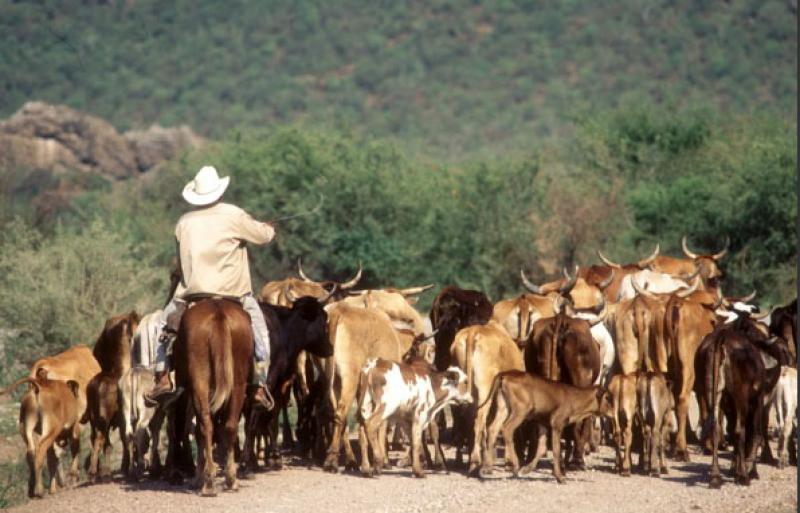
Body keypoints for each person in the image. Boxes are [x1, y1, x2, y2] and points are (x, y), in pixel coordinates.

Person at [145, 165, 275, 409]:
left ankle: (162, 377)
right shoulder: (233, 214)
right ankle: (259, 385)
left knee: (161, 329)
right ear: (219, 191)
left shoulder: (183, 222)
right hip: (234, 294)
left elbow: (180, 265)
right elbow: (264, 236)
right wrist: (267, 226)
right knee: (260, 334)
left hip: (192, 294)